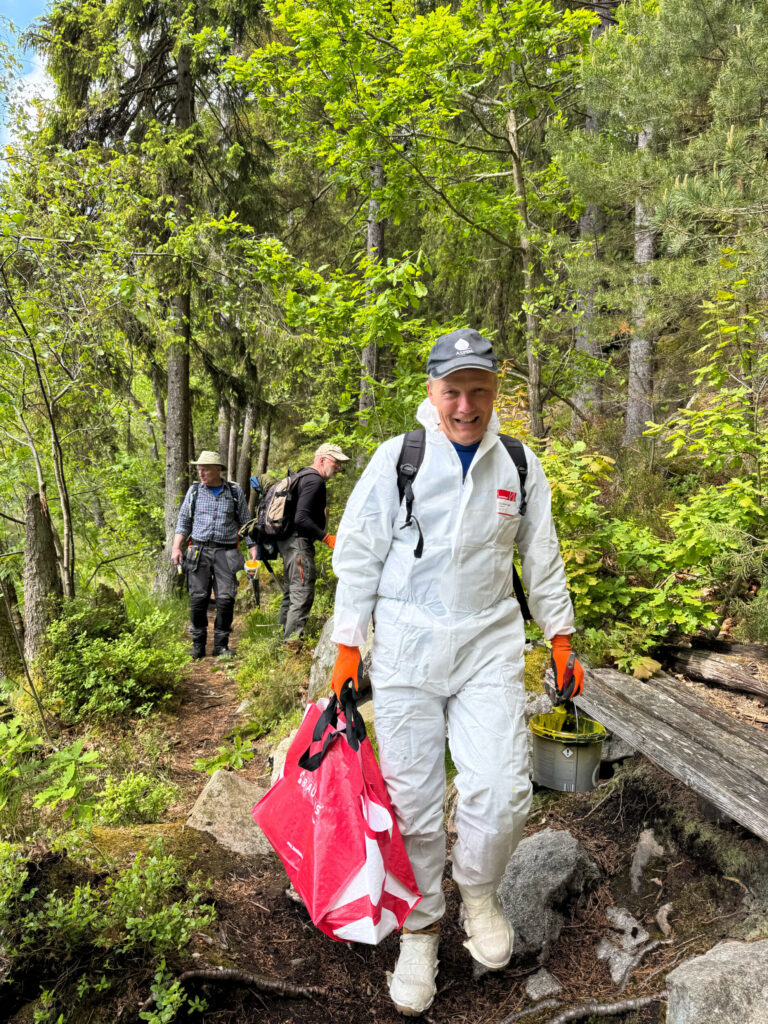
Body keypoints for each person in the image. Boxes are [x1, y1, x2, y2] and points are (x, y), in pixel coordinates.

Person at [328, 329, 584, 1016]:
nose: (465, 405)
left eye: (479, 390)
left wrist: (560, 636)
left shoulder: (519, 468)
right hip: (407, 649)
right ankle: (421, 927)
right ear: (432, 391)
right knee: (411, 805)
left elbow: (542, 556)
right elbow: (357, 554)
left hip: (487, 646)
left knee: (501, 792)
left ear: (497, 392)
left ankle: (477, 891)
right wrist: (349, 646)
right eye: (453, 391)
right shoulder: (398, 460)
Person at [172, 451, 258, 659]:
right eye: (199, 469)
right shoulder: (194, 492)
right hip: (198, 551)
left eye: (206, 469)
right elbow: (183, 521)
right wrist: (176, 547)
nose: (201, 473)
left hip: (227, 552)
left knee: (226, 599)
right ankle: (198, 645)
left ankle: (221, 645)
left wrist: (253, 547)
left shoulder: (235, 492)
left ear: (218, 469)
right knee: (198, 599)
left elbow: (246, 522)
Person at [278, 442, 349, 649]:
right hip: (299, 544)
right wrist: (327, 538)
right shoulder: (314, 480)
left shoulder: (302, 476)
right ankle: (291, 650)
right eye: (336, 462)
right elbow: (301, 518)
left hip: (289, 543)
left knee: (291, 594)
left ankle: (280, 644)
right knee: (302, 595)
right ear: (322, 460)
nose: (339, 467)